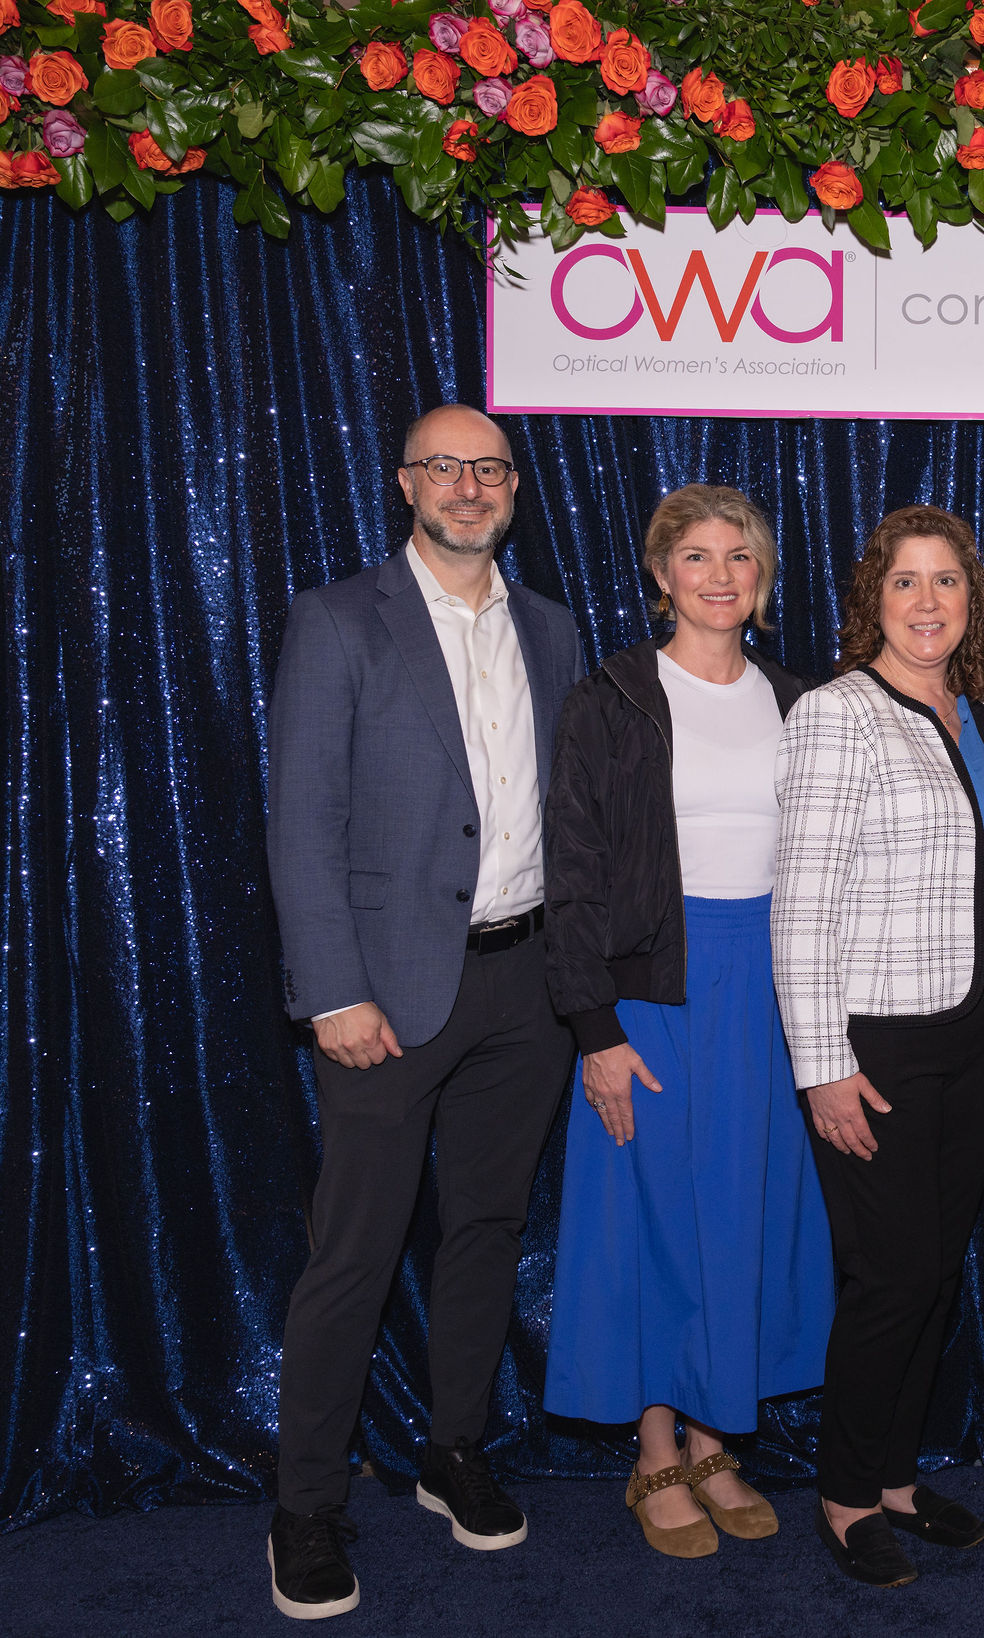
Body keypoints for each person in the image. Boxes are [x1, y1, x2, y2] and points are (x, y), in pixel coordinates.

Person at [263, 405, 583, 1619]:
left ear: (513, 488)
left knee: (487, 1231)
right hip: (385, 994)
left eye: (488, 467)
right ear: (405, 484)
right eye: (443, 466)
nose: (467, 485)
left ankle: (454, 1453)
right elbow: (303, 822)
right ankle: (305, 1506)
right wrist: (333, 990)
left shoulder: (549, 627)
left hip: (524, 983)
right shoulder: (340, 618)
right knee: (353, 1248)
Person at [541, 485, 834, 1558]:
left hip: (771, 984)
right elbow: (570, 872)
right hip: (650, 992)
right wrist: (595, 1029)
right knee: (652, 1211)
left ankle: (716, 1437)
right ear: (661, 575)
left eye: (739, 556)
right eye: (696, 556)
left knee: (744, 1205)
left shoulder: (800, 699)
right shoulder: (610, 697)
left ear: (761, 577)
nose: (719, 575)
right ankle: (654, 1448)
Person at [771, 505, 984, 1589]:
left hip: (980, 1031)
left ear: (972, 599)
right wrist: (822, 1066)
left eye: (947, 581)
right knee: (891, 1276)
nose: (928, 602)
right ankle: (842, 1496)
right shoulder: (836, 713)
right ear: (870, 599)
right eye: (904, 582)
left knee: (934, 1271)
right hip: (878, 1043)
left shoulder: (982, 717)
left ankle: (891, 1477)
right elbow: (801, 904)